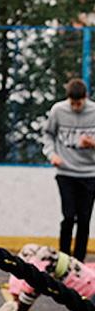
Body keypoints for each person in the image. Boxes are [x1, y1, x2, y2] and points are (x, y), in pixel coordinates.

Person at [0, 243, 95, 311]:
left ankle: (19, 310)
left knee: (35, 270)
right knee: (33, 260)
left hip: (82, 285)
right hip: (82, 282)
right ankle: (19, 309)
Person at [42, 77, 95, 261]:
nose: (75, 107)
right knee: (68, 216)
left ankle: (78, 261)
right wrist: (52, 154)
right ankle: (63, 259)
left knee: (84, 219)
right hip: (66, 173)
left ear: (85, 98)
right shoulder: (58, 110)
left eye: (79, 103)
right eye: (72, 103)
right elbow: (48, 134)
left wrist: (92, 143)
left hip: (90, 174)